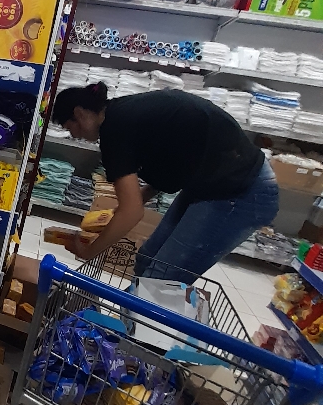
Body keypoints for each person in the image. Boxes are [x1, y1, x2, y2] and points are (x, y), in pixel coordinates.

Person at [51, 81, 279, 283]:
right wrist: (135, 200)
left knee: (160, 278)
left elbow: (132, 213)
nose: (75, 136)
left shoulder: (115, 129)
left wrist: (89, 251)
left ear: (79, 113)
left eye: (70, 128)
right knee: (146, 259)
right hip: (213, 182)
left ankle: (134, 318)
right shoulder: (122, 114)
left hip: (241, 190)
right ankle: (132, 315)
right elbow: (172, 155)